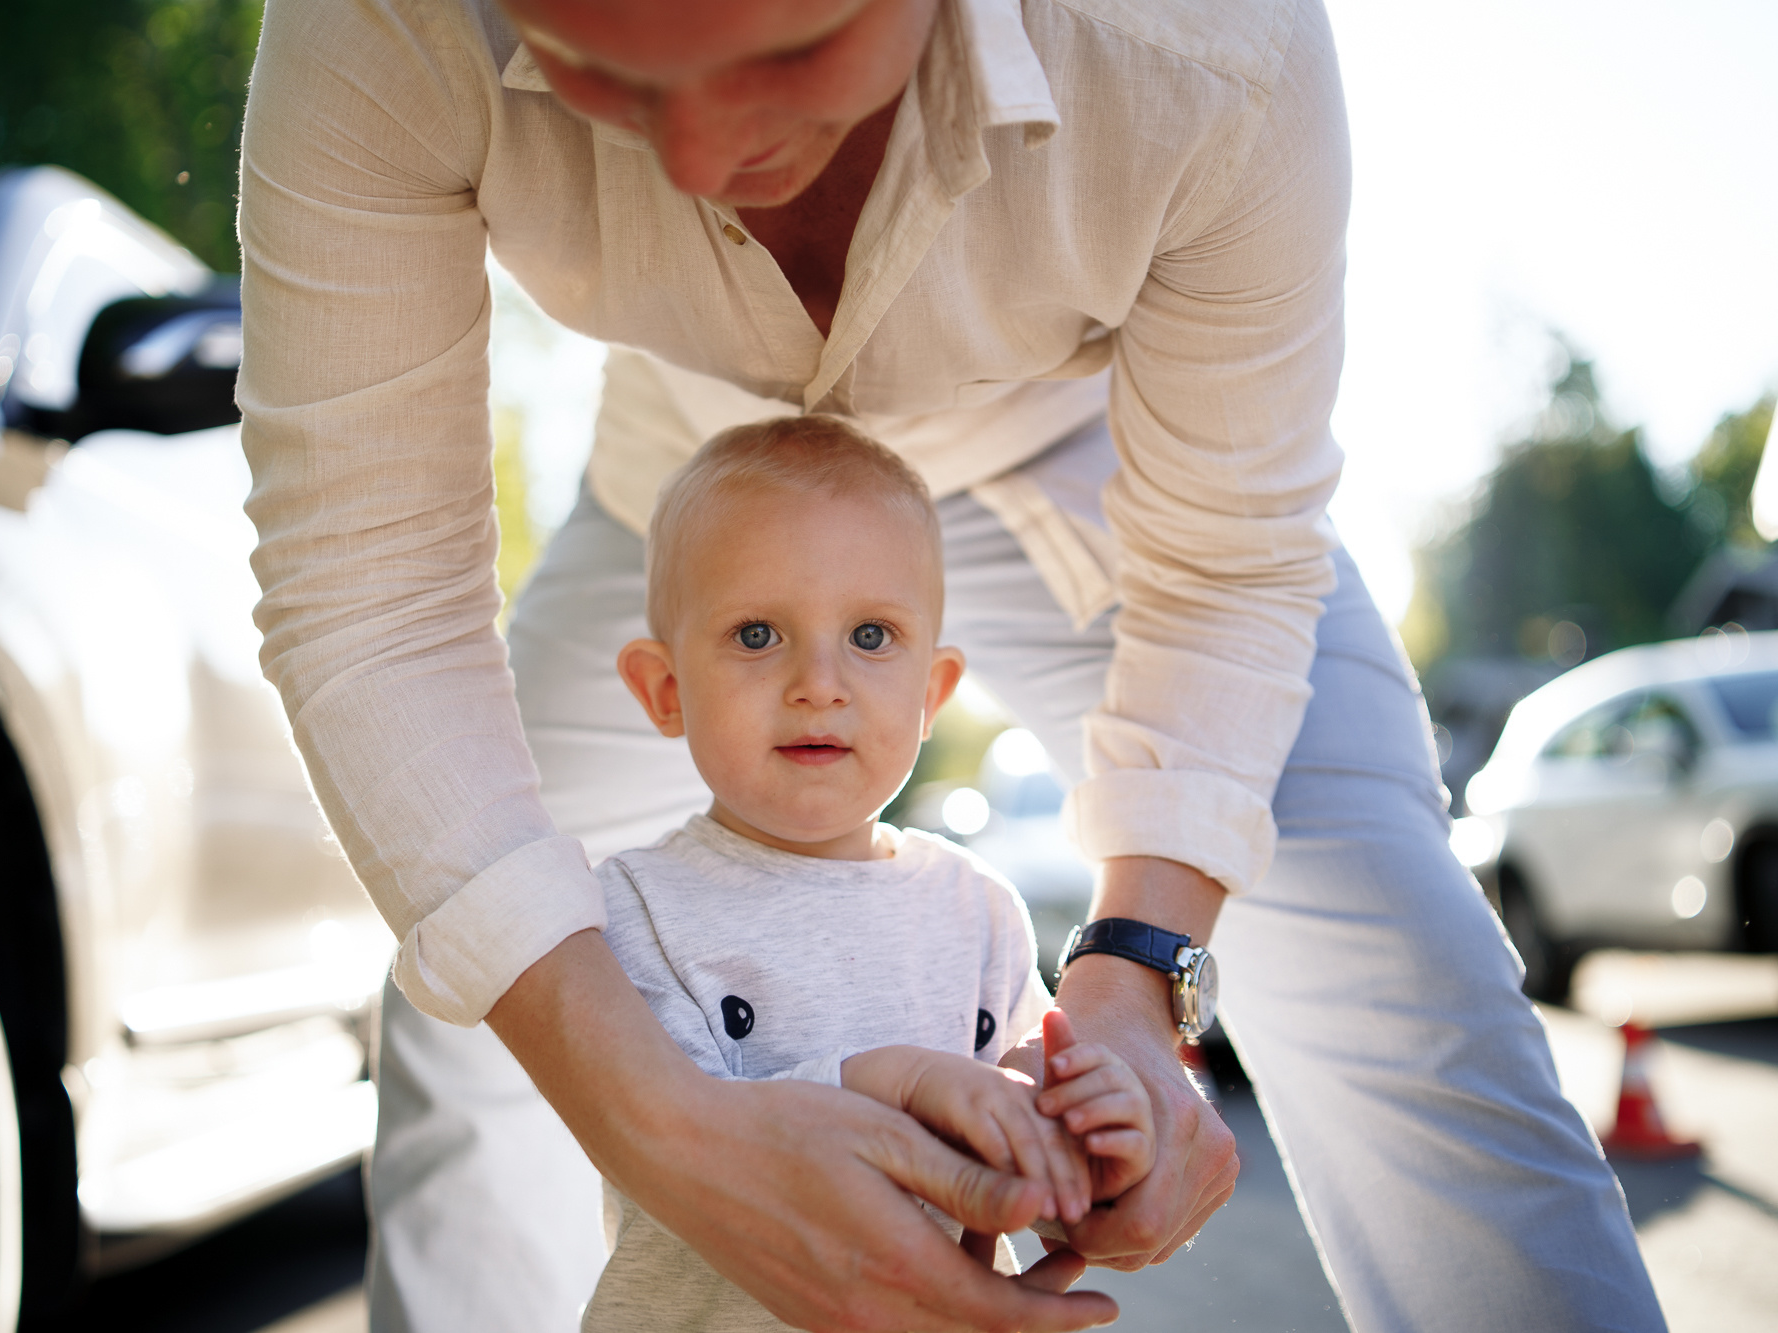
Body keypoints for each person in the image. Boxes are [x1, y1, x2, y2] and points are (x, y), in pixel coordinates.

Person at [235, 0, 1667, 1328]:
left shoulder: (1209, 45)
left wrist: (1137, 985)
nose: (699, 154)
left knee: (1388, 953)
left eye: (785, 53)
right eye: (600, 70)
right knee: (467, 994)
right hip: (695, 496)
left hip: (1092, 472)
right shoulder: (383, 23)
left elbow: (1228, 566)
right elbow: (366, 593)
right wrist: (655, 1123)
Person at [585, 415, 1156, 1330]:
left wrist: (1090, 1125)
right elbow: (672, 1144)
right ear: (666, 691)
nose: (820, 680)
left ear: (932, 694)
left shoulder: (979, 909)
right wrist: (883, 1078)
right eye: (759, 632)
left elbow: (1021, 1124)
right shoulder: (633, 908)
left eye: (873, 635)